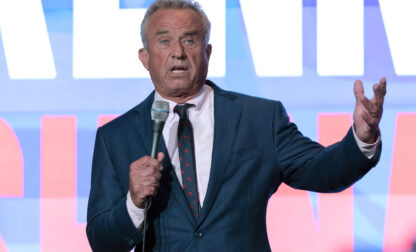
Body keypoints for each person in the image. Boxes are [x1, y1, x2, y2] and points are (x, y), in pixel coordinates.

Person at [86, 0, 387, 251]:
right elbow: (101, 241)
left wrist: (363, 137)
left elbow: (324, 170)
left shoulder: (259, 118)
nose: (177, 51)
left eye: (189, 40)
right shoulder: (116, 137)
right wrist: (134, 203)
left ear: (207, 52)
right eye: (164, 41)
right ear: (145, 57)